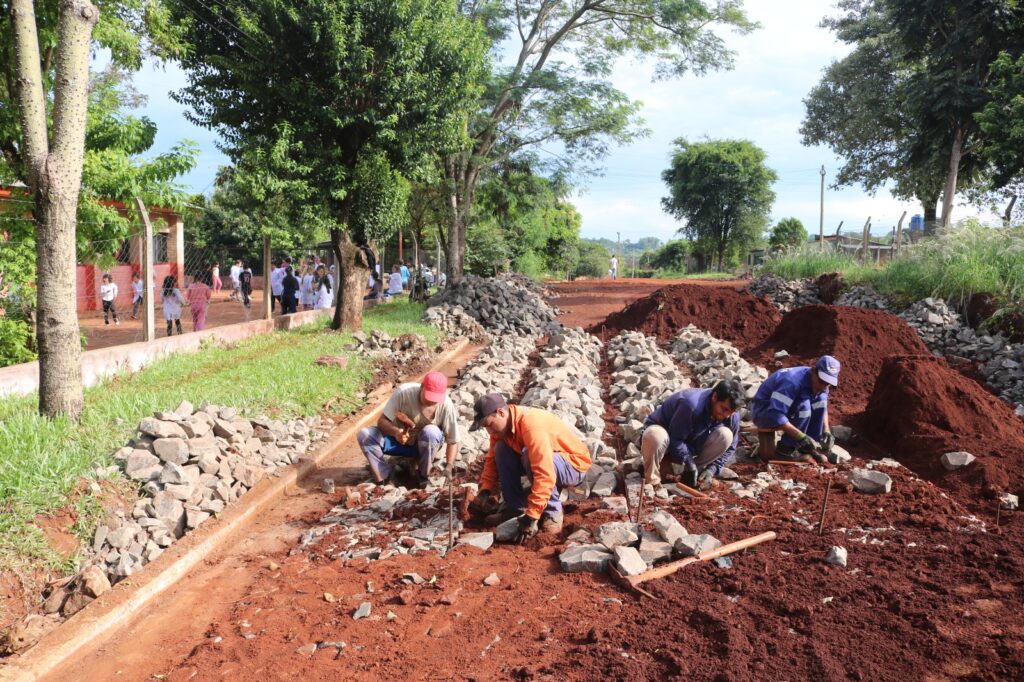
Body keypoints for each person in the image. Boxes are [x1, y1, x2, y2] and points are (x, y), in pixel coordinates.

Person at [467, 393, 592, 542]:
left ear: (500, 413)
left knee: (529, 456)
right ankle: (514, 509)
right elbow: (492, 460)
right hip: (544, 461)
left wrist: (532, 515)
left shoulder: (532, 426)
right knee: (500, 449)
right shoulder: (500, 428)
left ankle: (552, 512)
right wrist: (485, 489)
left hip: (573, 465)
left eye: (489, 424)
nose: (489, 431)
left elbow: (544, 473)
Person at [357, 371, 459, 488]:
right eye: (429, 396)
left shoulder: (446, 405)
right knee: (365, 435)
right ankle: (384, 478)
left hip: (425, 446)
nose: (432, 401)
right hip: (398, 444)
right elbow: (382, 421)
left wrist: (449, 467)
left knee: (431, 432)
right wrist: (396, 432)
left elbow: (453, 440)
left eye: (435, 398)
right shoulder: (403, 393)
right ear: (422, 387)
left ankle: (423, 475)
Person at [641, 380, 744, 491]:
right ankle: (653, 482)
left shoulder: (731, 413)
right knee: (655, 436)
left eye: (732, 412)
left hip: (690, 441)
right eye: (724, 409)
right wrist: (689, 462)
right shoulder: (691, 405)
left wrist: (712, 469)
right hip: (666, 436)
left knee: (726, 436)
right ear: (714, 397)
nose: (727, 415)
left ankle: (693, 473)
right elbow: (676, 439)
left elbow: (731, 447)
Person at [750, 356, 841, 463]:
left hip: (783, 409)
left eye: (827, 383)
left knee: (820, 399)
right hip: (763, 412)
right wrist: (800, 437)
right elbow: (775, 414)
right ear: (813, 371)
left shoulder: (822, 384)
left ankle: (810, 447)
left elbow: (822, 406)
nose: (823, 386)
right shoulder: (791, 382)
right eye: (821, 381)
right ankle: (786, 450)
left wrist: (826, 430)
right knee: (804, 408)